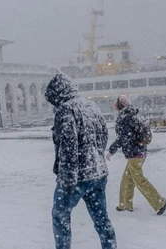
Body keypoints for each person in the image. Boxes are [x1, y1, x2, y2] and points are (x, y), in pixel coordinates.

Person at [45, 74, 117, 249]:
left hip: (77, 177)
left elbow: (68, 146)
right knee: (101, 219)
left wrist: (67, 180)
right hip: (98, 173)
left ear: (58, 94)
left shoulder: (66, 109)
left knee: (60, 216)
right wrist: (95, 157)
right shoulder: (92, 106)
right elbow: (103, 136)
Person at [106, 96, 166, 215]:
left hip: (134, 154)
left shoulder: (125, 118)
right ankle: (124, 205)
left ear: (119, 107)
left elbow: (122, 137)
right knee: (127, 179)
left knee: (139, 180)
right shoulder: (134, 115)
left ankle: (160, 202)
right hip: (140, 152)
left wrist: (111, 150)